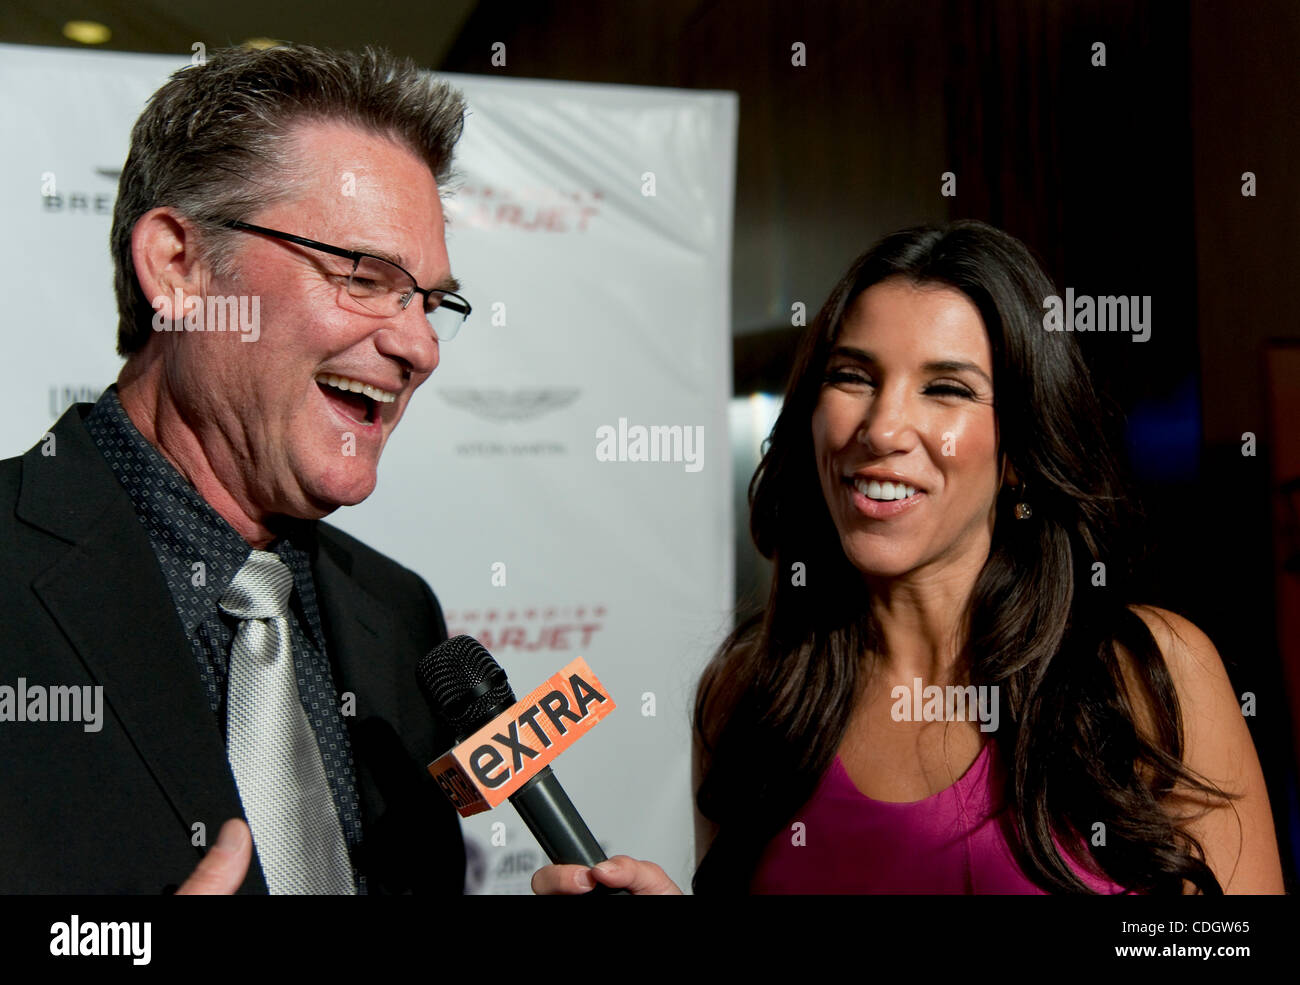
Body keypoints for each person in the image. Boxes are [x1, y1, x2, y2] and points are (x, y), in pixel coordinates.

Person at [533, 220, 1286, 895]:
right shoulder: (748, 697)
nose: (884, 426)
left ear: (1021, 453)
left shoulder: (1146, 675)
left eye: (947, 388)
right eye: (854, 375)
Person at [0, 44, 474, 894]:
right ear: (178, 267)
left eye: (432, 302)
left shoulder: (400, 615)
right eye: (366, 276)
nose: (420, 346)